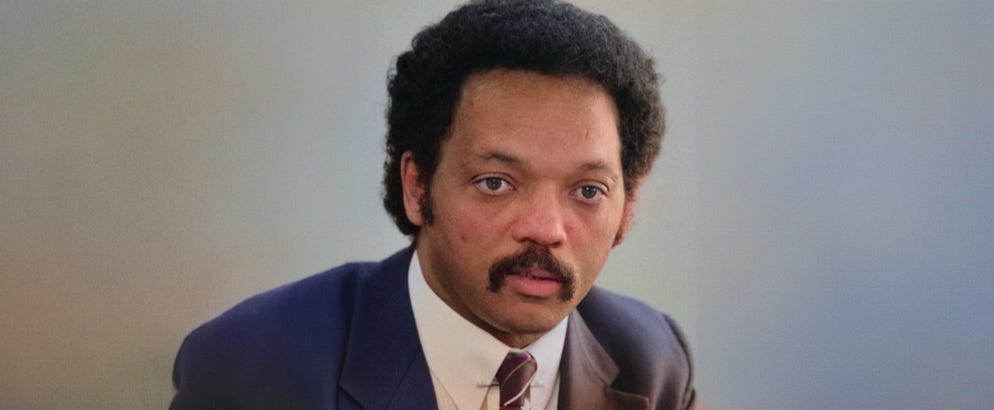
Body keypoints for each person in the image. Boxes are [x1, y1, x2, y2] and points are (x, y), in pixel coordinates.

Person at [169, 0, 695, 409]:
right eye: (496, 182)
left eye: (588, 191)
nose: (544, 228)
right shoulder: (250, 369)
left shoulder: (653, 361)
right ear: (417, 187)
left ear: (627, 208)